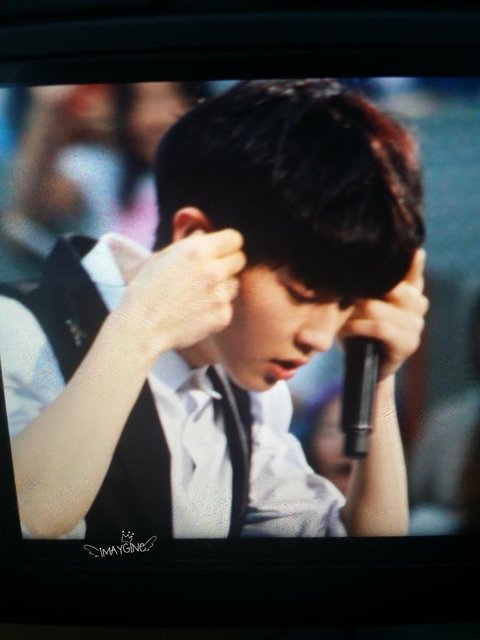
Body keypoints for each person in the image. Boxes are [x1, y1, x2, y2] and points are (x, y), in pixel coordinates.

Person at [0, 79, 428, 541]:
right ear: (196, 239)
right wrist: (138, 330)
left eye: (345, 304)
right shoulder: (18, 330)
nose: (321, 339)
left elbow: (355, 552)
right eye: (301, 295)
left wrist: (377, 377)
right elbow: (27, 519)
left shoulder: (251, 388)